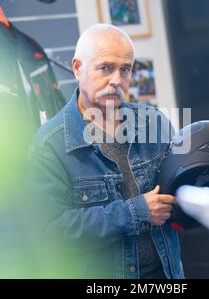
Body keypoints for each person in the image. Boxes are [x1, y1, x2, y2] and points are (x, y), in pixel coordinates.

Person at [27, 24, 184, 279]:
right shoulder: (50, 145)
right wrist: (136, 212)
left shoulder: (154, 123)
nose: (117, 81)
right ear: (78, 68)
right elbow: (50, 231)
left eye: (125, 69)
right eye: (106, 68)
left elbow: (177, 197)